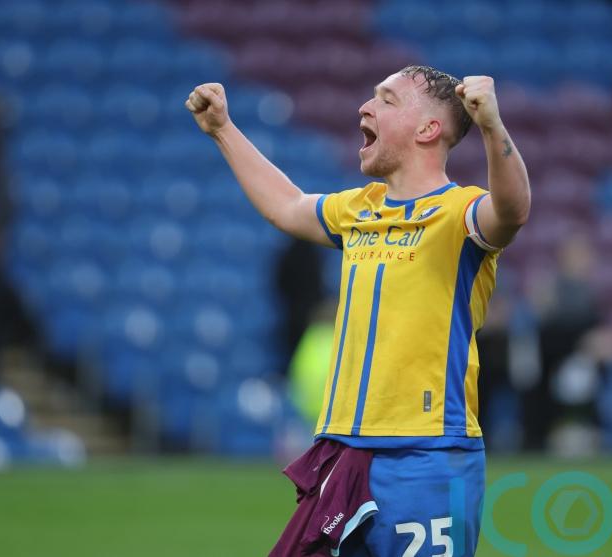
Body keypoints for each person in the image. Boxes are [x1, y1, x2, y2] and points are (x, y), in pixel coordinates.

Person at [186, 65, 530, 556]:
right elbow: (286, 206)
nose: (365, 108)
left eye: (386, 100)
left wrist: (494, 126)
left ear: (428, 129)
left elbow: (513, 210)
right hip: (346, 453)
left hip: (427, 456)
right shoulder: (360, 209)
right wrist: (223, 129)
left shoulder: (461, 213)